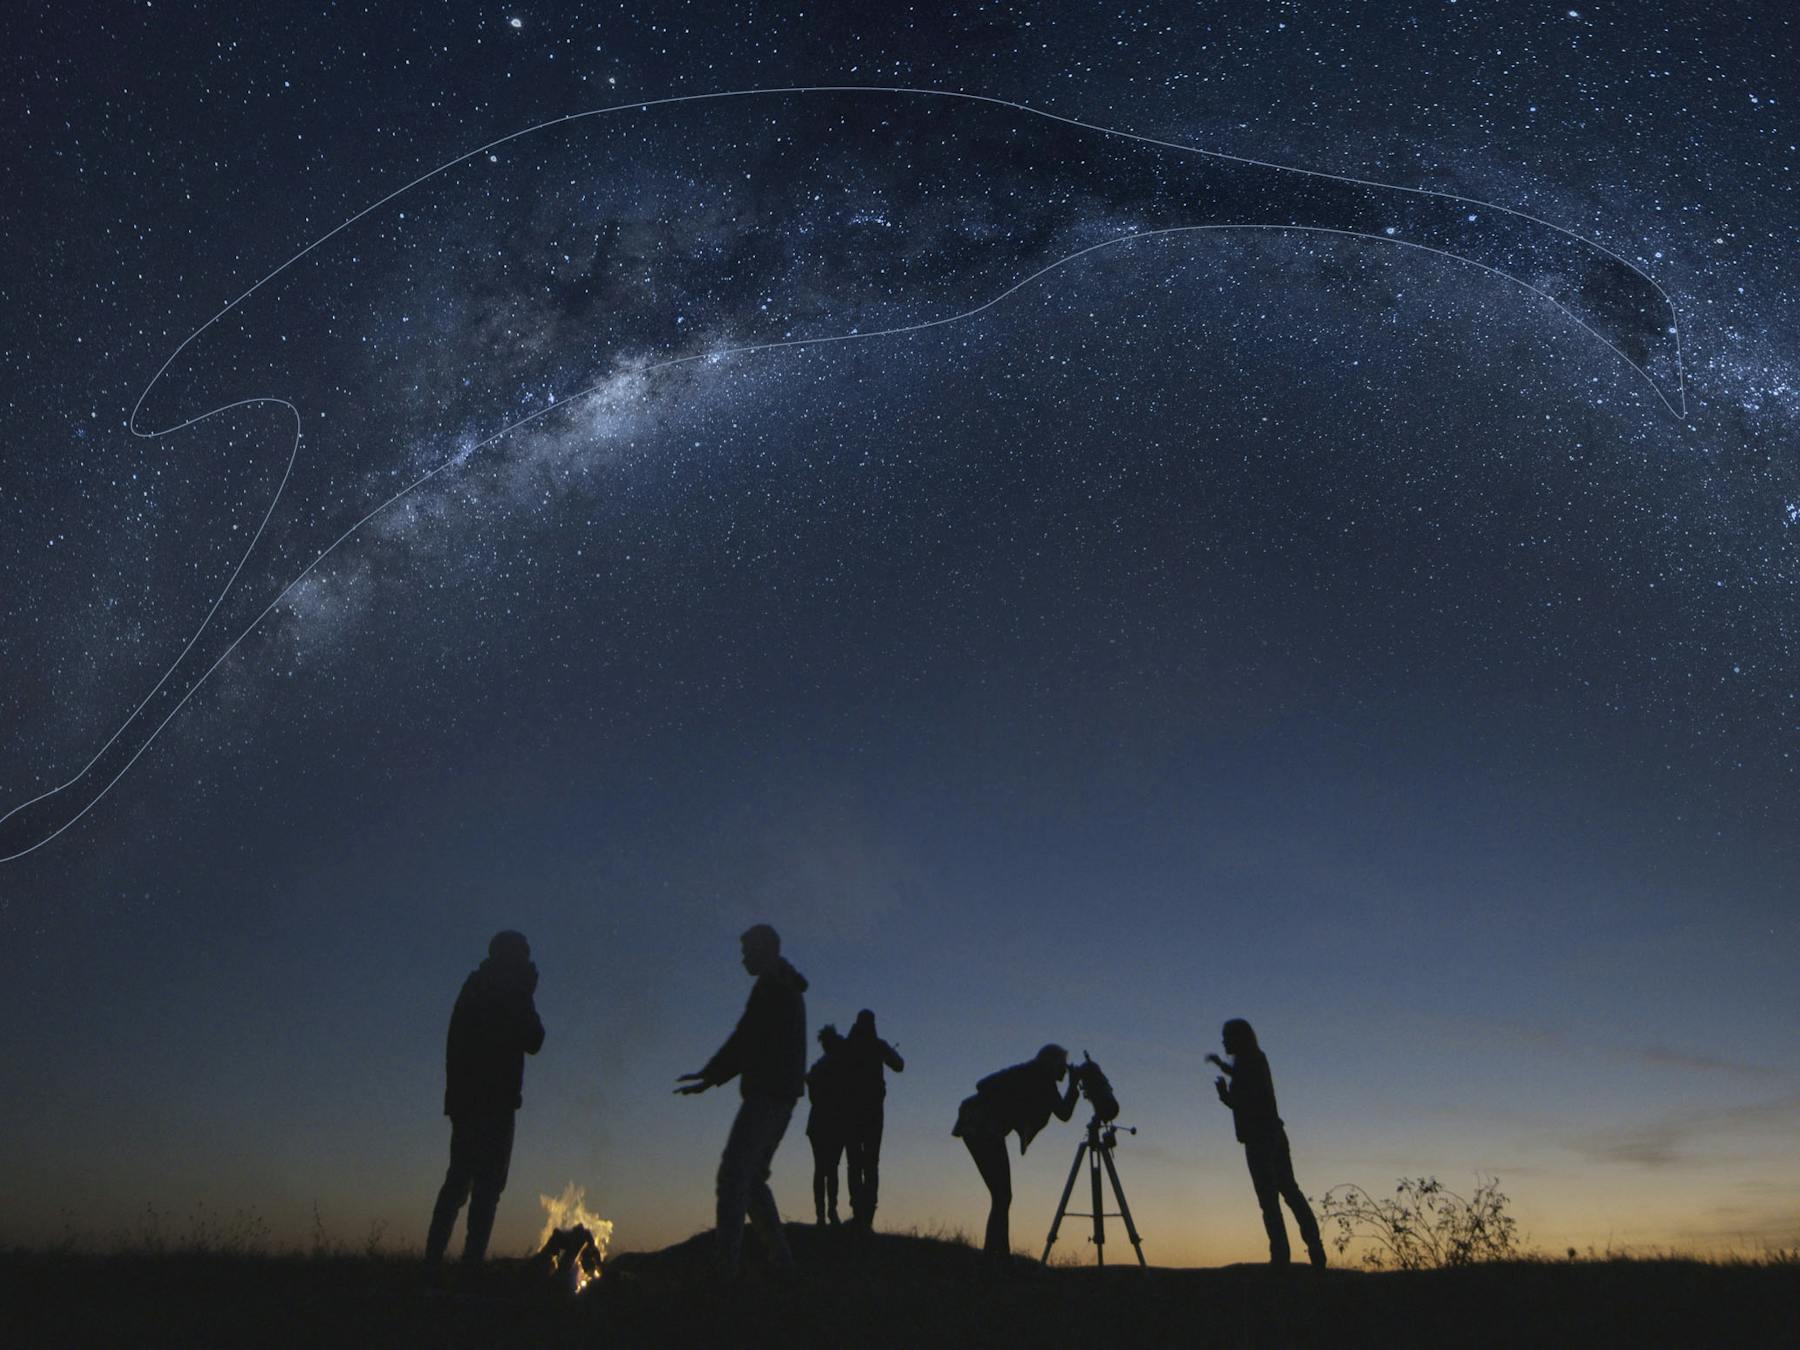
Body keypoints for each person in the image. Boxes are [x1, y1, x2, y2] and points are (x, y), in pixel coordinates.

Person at [676, 923, 809, 1275]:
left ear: (765, 950)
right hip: (782, 1094)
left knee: (734, 1177)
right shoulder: (782, 985)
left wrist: (710, 1075)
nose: (743, 958)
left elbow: (747, 1038)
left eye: (748, 950)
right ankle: (783, 1267)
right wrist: (713, 1075)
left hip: (768, 1095)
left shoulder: (773, 987)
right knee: (750, 1180)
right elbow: (749, 1040)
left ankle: (725, 1272)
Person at [425, 930, 546, 1265]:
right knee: (482, 1188)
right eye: (522, 953)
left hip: (470, 1102)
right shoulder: (507, 990)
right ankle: (467, 1266)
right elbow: (533, 1039)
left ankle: (435, 1263)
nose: (526, 959)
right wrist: (526, 994)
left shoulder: (475, 986)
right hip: (490, 1102)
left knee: (462, 1183)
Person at [1206, 1018, 1326, 1269]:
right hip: (1272, 1134)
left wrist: (1226, 1094)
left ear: (1239, 1038)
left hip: (1261, 1139)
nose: (1224, 1041)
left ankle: (1282, 1257)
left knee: (1271, 1199)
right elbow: (1246, 1095)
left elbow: (1247, 1102)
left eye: (1227, 1036)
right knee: (1288, 1192)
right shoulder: (1254, 1061)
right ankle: (1313, 1248)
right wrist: (1224, 1084)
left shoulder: (1251, 1064)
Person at [952, 1044, 1079, 1261]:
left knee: (1001, 1195)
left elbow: (983, 1083)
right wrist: (1073, 1086)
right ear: (1052, 1063)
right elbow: (1064, 1113)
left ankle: (997, 1253)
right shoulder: (1042, 1080)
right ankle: (996, 1255)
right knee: (1002, 1195)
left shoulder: (1026, 1072)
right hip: (985, 1129)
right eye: (1062, 1065)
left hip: (974, 1126)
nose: (1064, 1071)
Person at [841, 1008, 904, 1232]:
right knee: (870, 1164)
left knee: (855, 1164)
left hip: (851, 1112)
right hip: (873, 1113)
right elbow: (899, 1065)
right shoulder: (878, 1045)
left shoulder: (848, 1046)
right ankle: (866, 1217)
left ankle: (859, 1214)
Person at [805, 1024, 849, 1226]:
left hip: (818, 1123)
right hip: (835, 1122)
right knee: (831, 1169)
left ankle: (822, 1214)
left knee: (820, 1169)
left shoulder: (817, 1067)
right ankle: (830, 1211)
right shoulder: (839, 1064)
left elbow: (812, 1096)